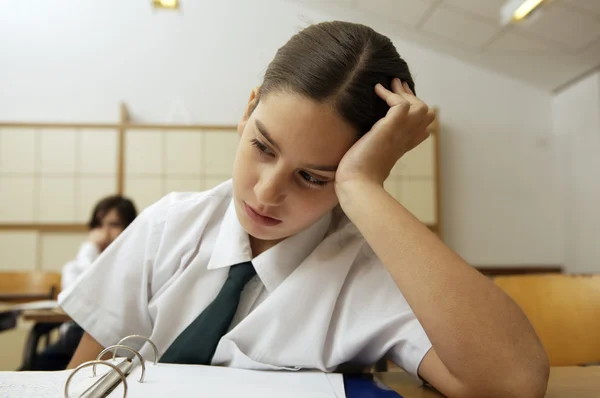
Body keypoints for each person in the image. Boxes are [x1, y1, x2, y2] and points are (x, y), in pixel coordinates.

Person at [59, 21, 549, 397]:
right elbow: (83, 381)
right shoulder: (168, 225)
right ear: (248, 111)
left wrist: (361, 186)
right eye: (263, 148)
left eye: (314, 177)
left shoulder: (370, 272)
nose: (267, 193)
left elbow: (511, 383)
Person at [29, 195, 137, 371]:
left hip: (114, 339)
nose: (104, 233)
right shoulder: (75, 266)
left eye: (114, 225)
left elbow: (97, 291)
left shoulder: (133, 263)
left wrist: (88, 249)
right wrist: (90, 249)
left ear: (130, 227)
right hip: (75, 334)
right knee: (35, 367)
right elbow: (79, 297)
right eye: (99, 225)